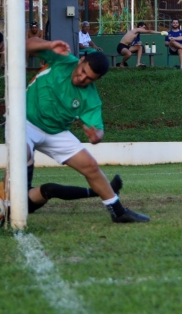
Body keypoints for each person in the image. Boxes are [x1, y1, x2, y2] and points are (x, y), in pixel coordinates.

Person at [25, 34, 149, 223]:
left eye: (88, 79)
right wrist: (50, 44)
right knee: (22, 152)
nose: (81, 78)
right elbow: (27, 45)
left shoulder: (91, 98)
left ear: (96, 80)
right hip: (24, 121)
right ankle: (11, 203)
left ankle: (118, 211)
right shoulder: (63, 59)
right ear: (81, 60)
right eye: (82, 71)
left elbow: (98, 130)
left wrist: (96, 136)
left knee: (90, 165)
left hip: (55, 131)